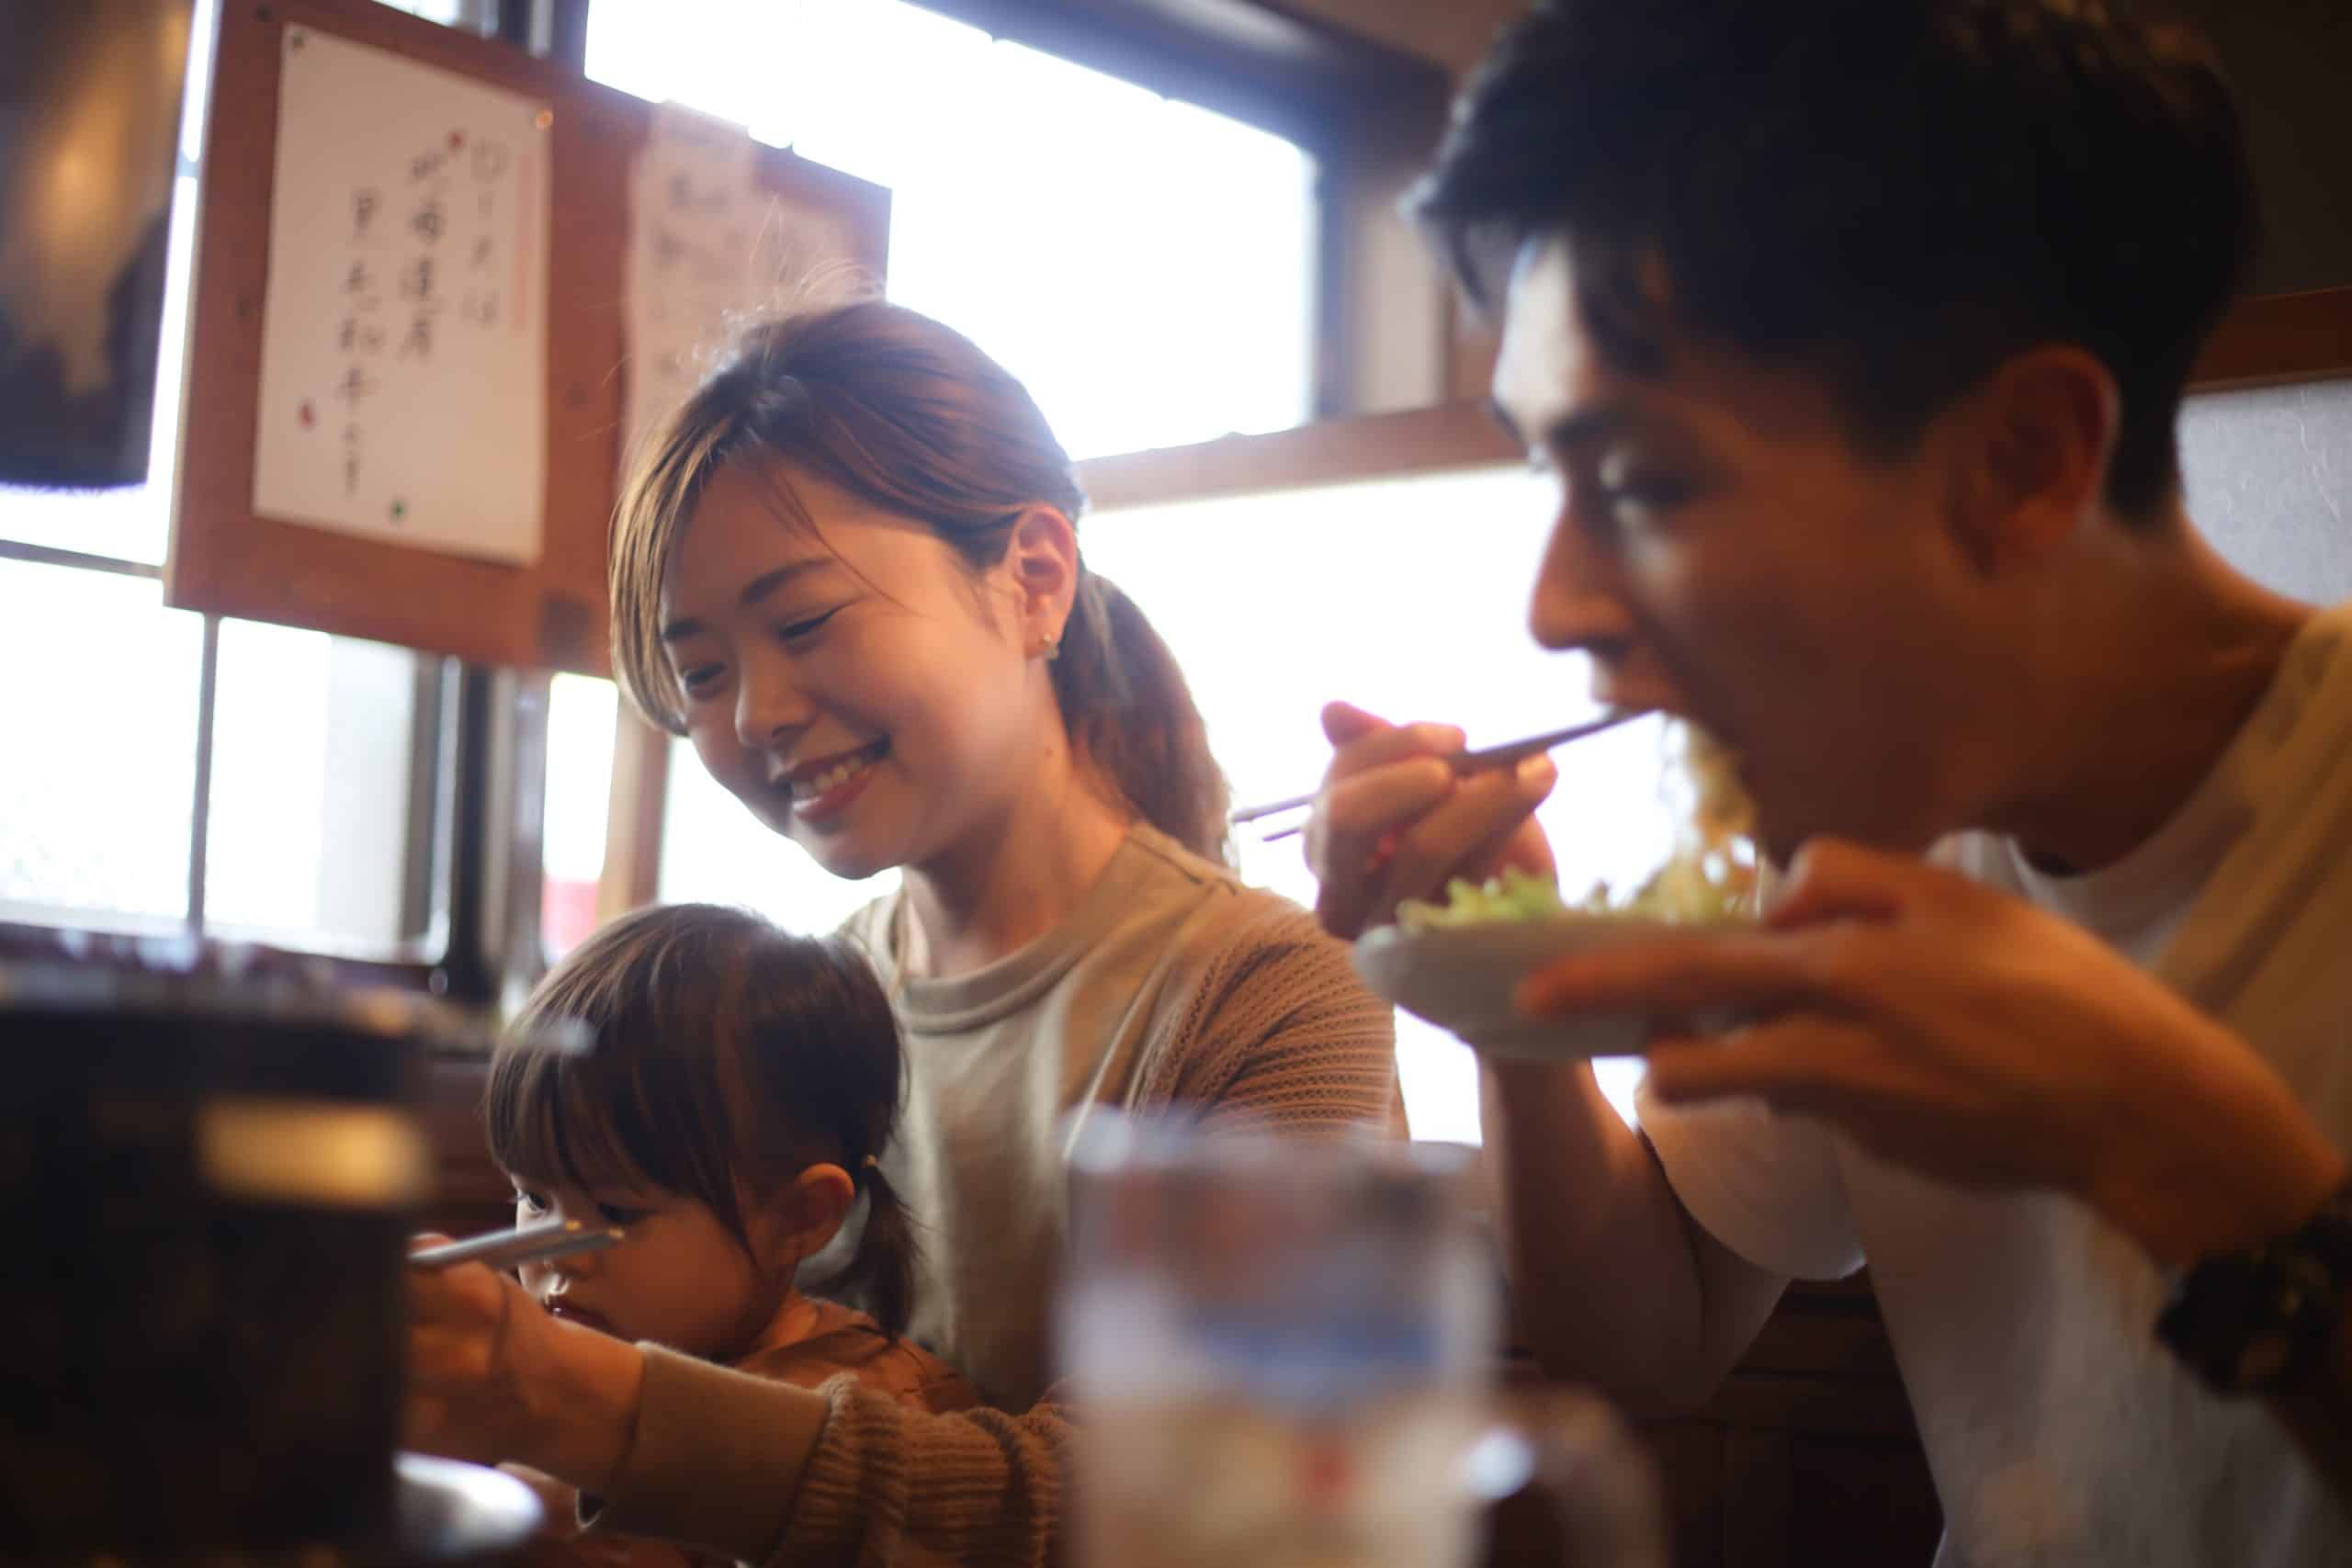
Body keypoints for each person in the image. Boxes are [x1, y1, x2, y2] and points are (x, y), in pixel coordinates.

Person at [1303, 1, 2351, 1561]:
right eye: (1550, 472)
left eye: (1645, 480)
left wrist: (2188, 1158)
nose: (1554, 603)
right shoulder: (1856, 821)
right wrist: (1513, 993)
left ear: (2021, 459)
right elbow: (1659, 1332)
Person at [408, 299, 1402, 1566]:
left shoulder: (1271, 991)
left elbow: (1180, 1507)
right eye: (702, 671)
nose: (757, 712)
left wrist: (565, 1393)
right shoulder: (804, 1003)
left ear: (1035, 578)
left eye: (807, 620)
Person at [465, 904, 976, 1567]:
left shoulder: (870, 1420)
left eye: (617, 1213)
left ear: (801, 1218)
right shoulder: (560, 1375)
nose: (552, 1255)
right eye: (534, 1198)